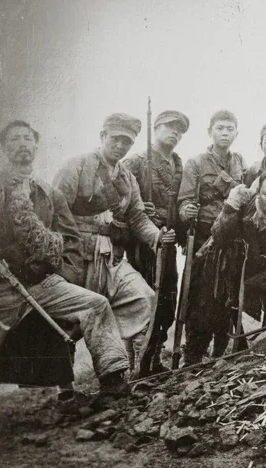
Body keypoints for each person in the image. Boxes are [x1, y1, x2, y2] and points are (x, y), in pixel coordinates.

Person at [0, 120, 129, 393]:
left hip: (42, 283)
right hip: (0, 287)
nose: (22, 144)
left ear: (36, 145)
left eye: (27, 138)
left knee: (96, 305)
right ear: (3, 147)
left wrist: (60, 276)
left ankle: (113, 380)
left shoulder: (49, 194)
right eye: (14, 139)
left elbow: (71, 242)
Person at [53, 113, 176, 375]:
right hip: (76, 256)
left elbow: (137, 217)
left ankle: (136, 370)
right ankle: (64, 387)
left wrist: (157, 236)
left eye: (127, 142)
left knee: (143, 297)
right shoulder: (77, 166)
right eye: (116, 139)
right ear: (102, 136)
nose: (121, 146)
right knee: (67, 322)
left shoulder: (127, 178)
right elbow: (56, 211)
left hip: (111, 258)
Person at [188, 169, 266, 355]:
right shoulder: (242, 205)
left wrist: (250, 285)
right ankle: (196, 354)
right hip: (232, 268)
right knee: (206, 300)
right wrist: (230, 208)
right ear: (258, 192)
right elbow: (220, 238)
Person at [177, 110, 246, 363]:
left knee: (226, 296)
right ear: (210, 132)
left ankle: (220, 351)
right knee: (200, 298)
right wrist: (186, 211)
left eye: (230, 128)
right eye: (220, 128)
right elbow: (184, 200)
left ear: (236, 133)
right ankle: (193, 352)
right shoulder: (196, 163)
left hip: (231, 240)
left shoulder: (239, 162)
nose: (225, 133)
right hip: (204, 240)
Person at [123, 110, 189, 373]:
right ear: (156, 128)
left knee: (167, 301)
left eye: (179, 129)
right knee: (142, 300)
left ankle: (155, 358)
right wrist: (141, 207)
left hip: (169, 242)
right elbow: (120, 203)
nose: (175, 132)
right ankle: (134, 363)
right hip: (142, 245)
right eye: (169, 126)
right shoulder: (136, 162)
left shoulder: (179, 166)